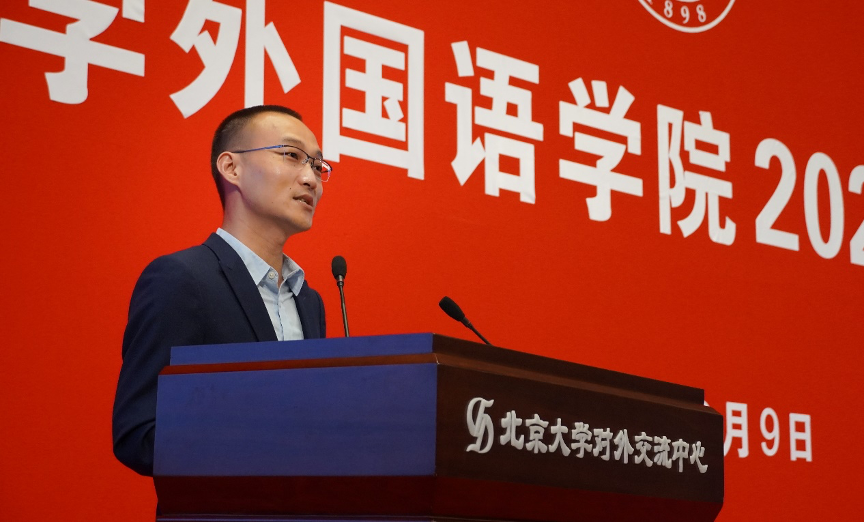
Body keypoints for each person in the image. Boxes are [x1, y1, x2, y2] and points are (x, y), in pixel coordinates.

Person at [112, 105, 330, 476]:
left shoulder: (309, 301)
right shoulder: (182, 279)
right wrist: (266, 440)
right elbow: (140, 435)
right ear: (231, 168)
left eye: (318, 165)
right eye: (292, 155)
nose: (311, 179)